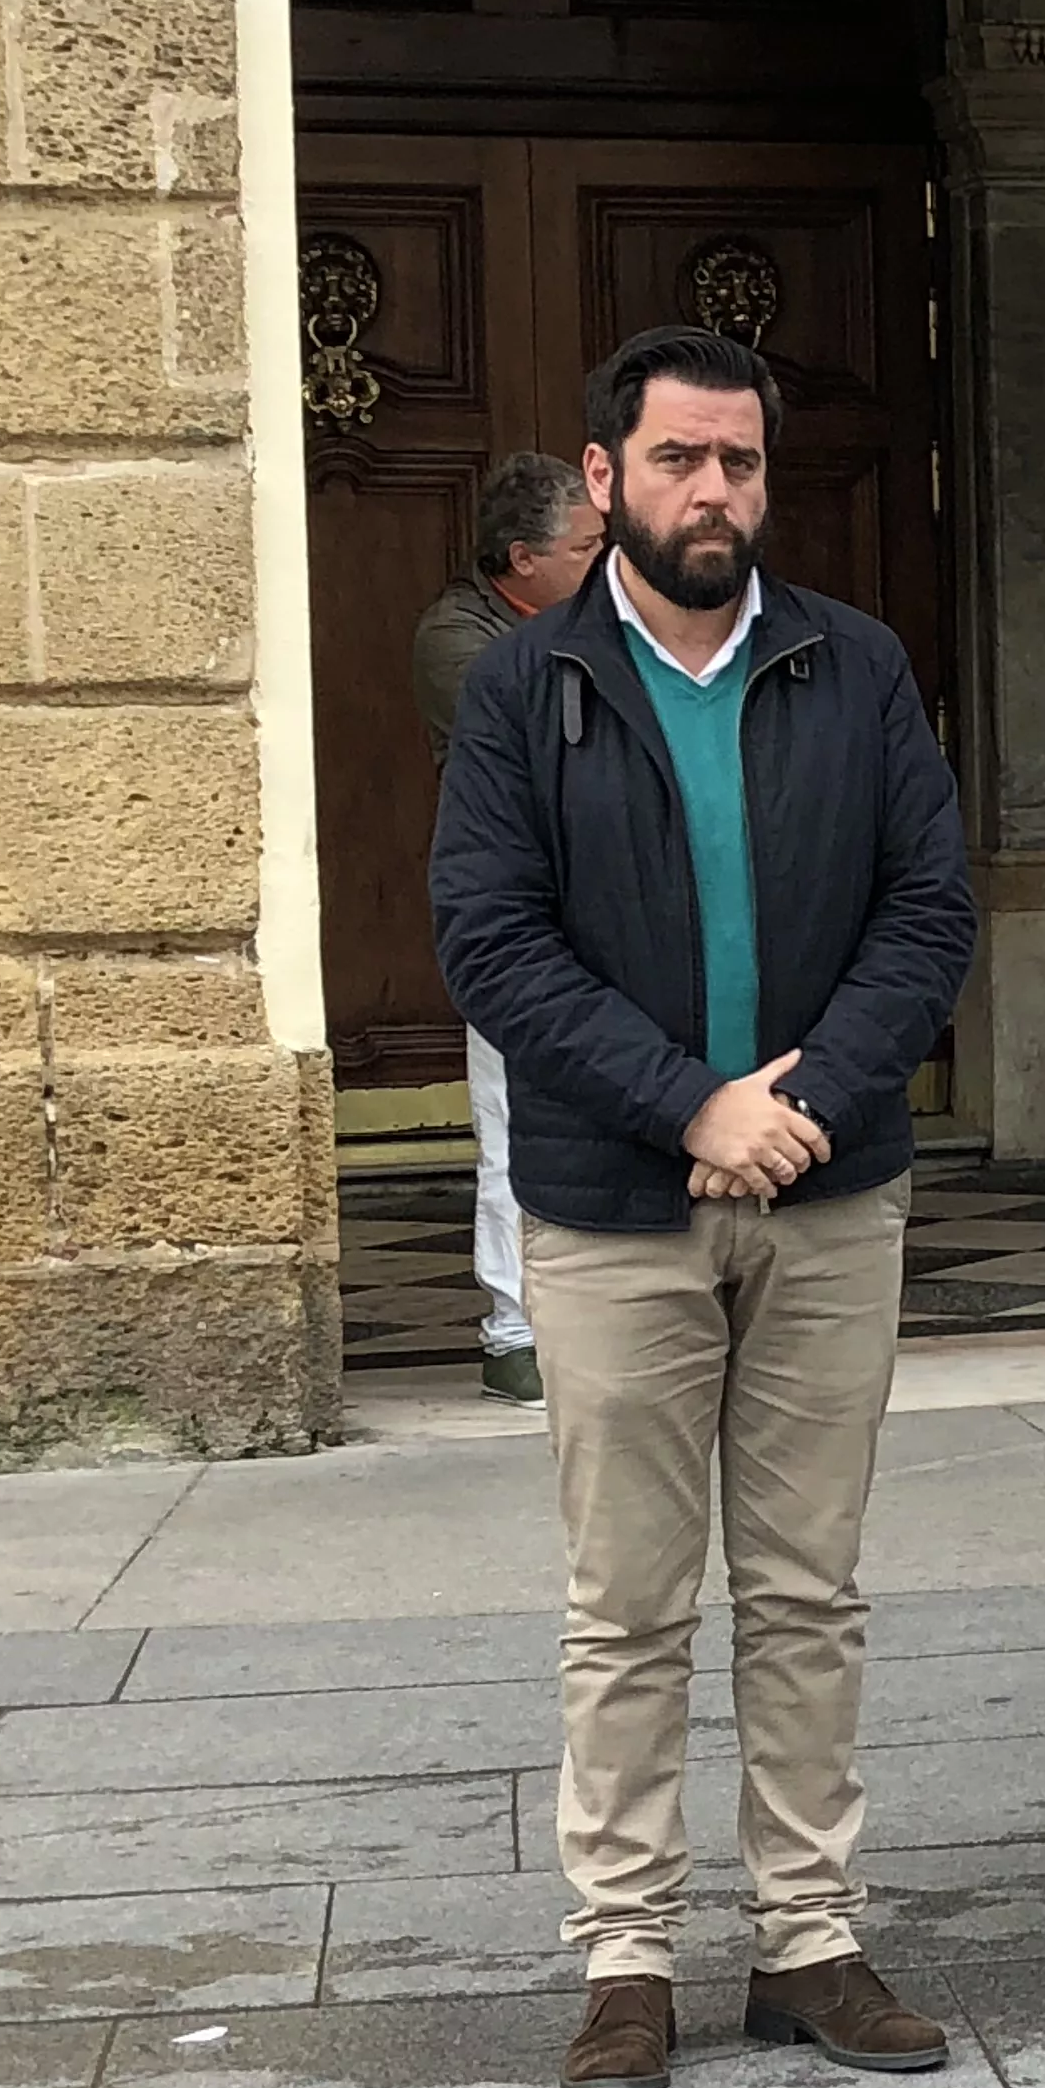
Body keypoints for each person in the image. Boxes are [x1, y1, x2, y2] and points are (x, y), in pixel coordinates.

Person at [432, 325, 978, 2088]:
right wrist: (691, 1101)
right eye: (678, 460)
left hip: (829, 1196)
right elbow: (491, 939)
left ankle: (809, 1937)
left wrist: (801, 1103)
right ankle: (629, 1960)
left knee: (809, 1590)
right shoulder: (530, 690)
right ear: (605, 480)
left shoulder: (855, 661)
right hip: (615, 1208)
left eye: (739, 462)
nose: (714, 492)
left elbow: (929, 908)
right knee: (629, 1603)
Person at [413, 454, 607, 1403]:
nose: (606, 558)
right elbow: (551, 735)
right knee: (512, 1118)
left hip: (612, 903)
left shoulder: (607, 616)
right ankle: (513, 1329)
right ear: (523, 560)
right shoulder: (457, 637)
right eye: (586, 547)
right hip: (518, 911)